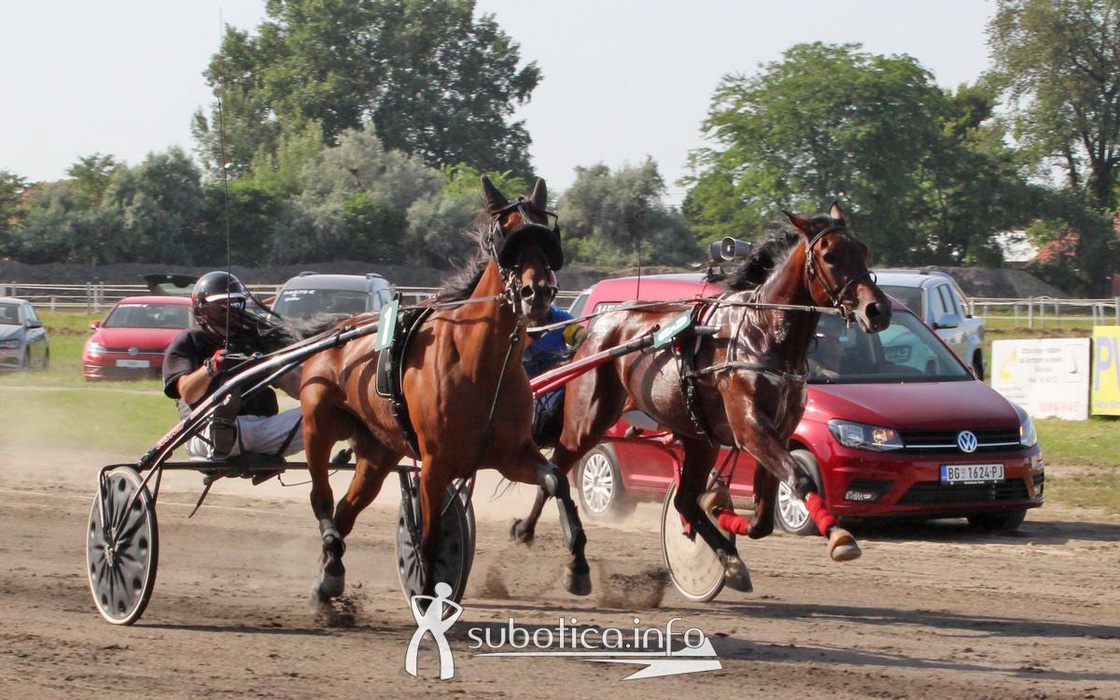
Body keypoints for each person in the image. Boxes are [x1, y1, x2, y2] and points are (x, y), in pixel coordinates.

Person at [162, 271, 304, 461]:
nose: (230, 313)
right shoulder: (188, 340)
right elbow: (188, 392)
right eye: (221, 308)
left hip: (262, 430)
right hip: (203, 430)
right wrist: (210, 368)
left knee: (321, 412)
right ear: (200, 310)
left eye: (235, 305)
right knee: (223, 417)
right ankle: (223, 424)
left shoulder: (254, 341)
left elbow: (295, 387)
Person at [523, 304, 587, 445]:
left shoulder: (560, 318)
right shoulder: (512, 318)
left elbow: (583, 339)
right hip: (522, 385)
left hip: (555, 384)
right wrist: (528, 337)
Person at [807, 315, 850, 380]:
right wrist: (820, 370)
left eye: (838, 341)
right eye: (829, 340)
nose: (834, 346)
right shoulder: (808, 366)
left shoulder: (856, 367)